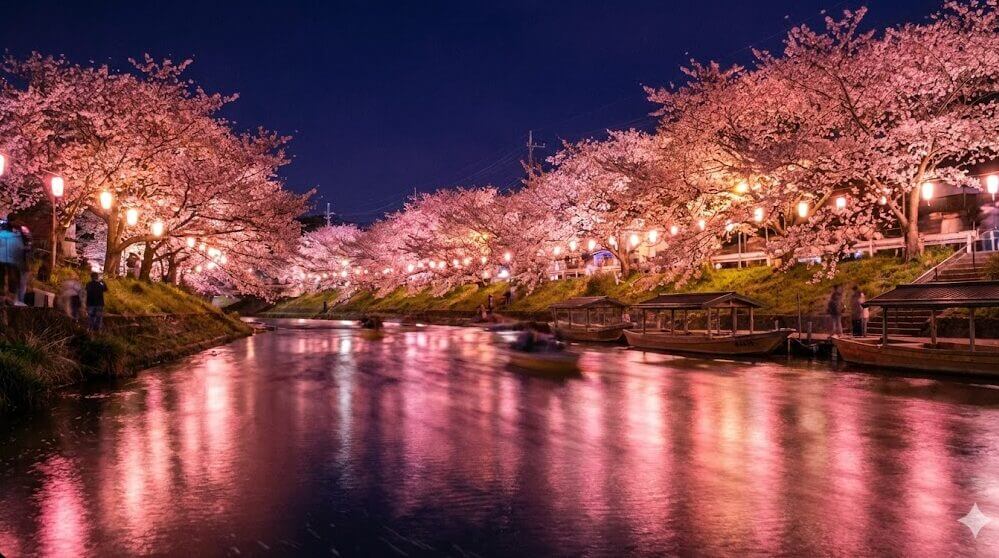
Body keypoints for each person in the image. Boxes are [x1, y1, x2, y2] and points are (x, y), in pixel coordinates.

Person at [0, 218, 26, 305]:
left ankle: (3, 296)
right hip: (12, 261)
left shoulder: (2, 234)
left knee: (3, 278)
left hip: (2, 260)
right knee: (13, 279)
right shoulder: (17, 236)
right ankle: (11, 298)